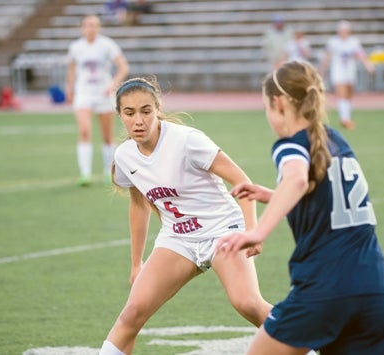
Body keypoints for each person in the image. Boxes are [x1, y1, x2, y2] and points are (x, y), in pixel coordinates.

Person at [216, 60, 384, 355]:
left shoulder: (290, 144)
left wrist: (258, 231)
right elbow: (324, 192)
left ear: (278, 103)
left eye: (266, 107)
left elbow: (298, 179)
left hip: (325, 289)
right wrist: (270, 195)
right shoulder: (333, 139)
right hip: (376, 287)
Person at [98, 76, 272, 355]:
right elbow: (139, 205)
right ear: (120, 115)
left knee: (247, 303)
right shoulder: (125, 157)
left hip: (221, 230)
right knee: (132, 313)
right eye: (129, 113)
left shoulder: (187, 141)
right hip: (177, 239)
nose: (138, 121)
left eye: (146, 111)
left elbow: (242, 182)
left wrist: (252, 230)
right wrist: (136, 263)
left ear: (157, 108)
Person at [65, 15, 129, 186]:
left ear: (99, 27)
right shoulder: (76, 47)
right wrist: (69, 87)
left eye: (94, 25)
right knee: (85, 131)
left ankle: (109, 171)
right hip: (83, 93)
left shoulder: (107, 45)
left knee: (107, 135)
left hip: (103, 94)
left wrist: (113, 84)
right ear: (82, 27)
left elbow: (123, 67)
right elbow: (71, 69)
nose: (90, 28)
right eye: (87, 25)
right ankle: (85, 173)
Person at [320, 20, 374, 130]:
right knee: (341, 94)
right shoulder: (333, 42)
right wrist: (322, 70)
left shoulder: (353, 42)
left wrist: (368, 64)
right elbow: (327, 57)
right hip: (338, 71)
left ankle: (346, 117)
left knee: (349, 95)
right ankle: (345, 119)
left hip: (350, 71)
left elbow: (360, 54)